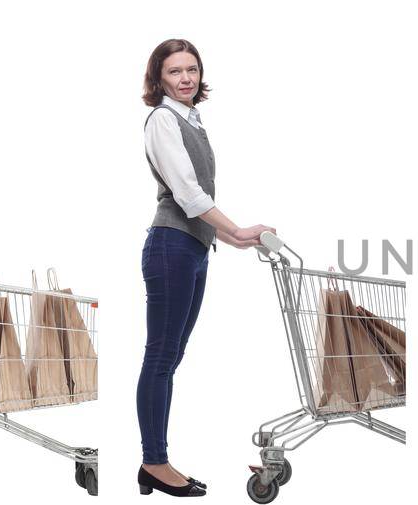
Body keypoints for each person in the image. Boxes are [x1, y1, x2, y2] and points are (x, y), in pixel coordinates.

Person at [135, 38, 274, 498]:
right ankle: (154, 462)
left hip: (192, 248)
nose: (186, 78)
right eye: (175, 72)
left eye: (192, 69)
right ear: (159, 79)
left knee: (169, 359)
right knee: (160, 358)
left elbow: (198, 197)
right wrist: (236, 231)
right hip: (171, 247)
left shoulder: (192, 118)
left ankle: (156, 460)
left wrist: (231, 239)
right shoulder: (162, 118)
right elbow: (188, 194)